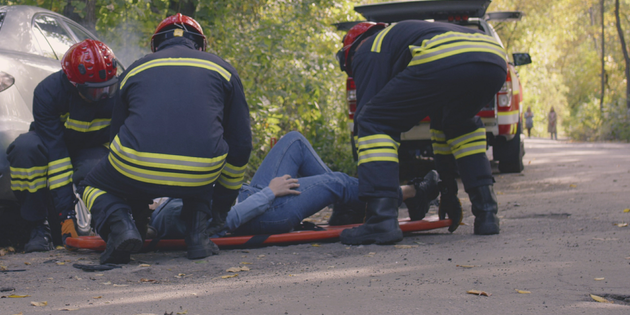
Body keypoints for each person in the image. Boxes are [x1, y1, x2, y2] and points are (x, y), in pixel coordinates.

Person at [79, 13, 252, 263]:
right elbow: (241, 145)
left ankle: (122, 228)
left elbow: (118, 136)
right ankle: (198, 237)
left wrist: (135, 200)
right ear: (200, 43)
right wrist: (221, 209)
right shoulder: (223, 69)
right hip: (200, 173)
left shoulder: (135, 69)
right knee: (202, 153)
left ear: (156, 44)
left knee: (90, 183)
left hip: (135, 168)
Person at [335, 20, 507, 245]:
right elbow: (439, 131)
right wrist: (448, 193)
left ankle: (381, 221)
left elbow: (368, 116)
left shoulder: (368, 48)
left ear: (353, 50)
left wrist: (370, 190)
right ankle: (487, 214)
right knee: (458, 124)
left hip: (447, 57)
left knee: (372, 122)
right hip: (493, 57)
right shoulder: (409, 40)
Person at [148, 131, 440, 239]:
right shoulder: (168, 217)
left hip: (256, 193)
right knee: (335, 180)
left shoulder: (166, 199)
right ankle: (409, 194)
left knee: (294, 142)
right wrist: (270, 191)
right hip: (267, 212)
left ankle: (348, 204)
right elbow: (229, 219)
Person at [6, 39, 119, 252]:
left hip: (92, 148)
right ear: (73, 83)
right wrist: (67, 217)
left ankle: (108, 224)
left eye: (107, 88)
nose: (102, 96)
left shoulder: (118, 93)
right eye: (93, 92)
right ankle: (38, 227)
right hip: (54, 146)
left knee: (96, 169)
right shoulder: (48, 93)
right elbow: (57, 158)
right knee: (25, 149)